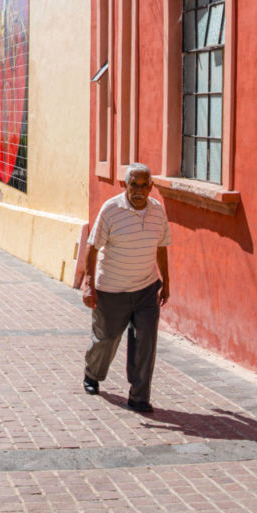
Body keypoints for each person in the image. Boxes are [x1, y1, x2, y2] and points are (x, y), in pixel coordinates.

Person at [81, 163, 170, 413]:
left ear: (151, 187)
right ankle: (92, 373)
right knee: (106, 338)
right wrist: (89, 285)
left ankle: (139, 396)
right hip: (112, 290)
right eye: (133, 185)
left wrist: (166, 281)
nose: (139, 191)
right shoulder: (111, 209)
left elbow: (161, 247)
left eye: (144, 186)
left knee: (146, 341)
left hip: (146, 289)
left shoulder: (157, 211)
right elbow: (92, 247)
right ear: (125, 185)